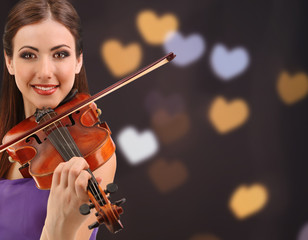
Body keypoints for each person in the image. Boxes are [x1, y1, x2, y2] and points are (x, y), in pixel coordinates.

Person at [0, 0, 117, 239]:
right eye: (29, 54)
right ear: (9, 61)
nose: (45, 71)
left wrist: (58, 225)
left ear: (78, 61)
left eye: (60, 54)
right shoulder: (9, 144)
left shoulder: (95, 156)